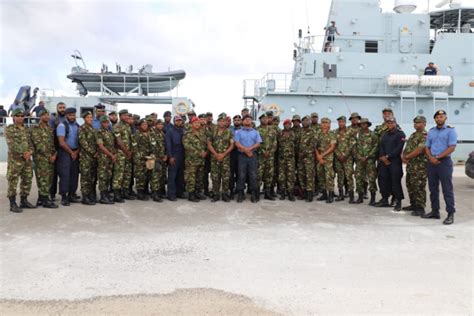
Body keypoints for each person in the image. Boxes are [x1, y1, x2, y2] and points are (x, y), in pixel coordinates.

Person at [422, 110, 457, 225]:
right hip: (432, 163)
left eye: (441, 117)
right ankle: (435, 211)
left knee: (447, 189)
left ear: (445, 118)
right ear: (435, 119)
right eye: (437, 117)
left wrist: (437, 157)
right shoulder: (431, 132)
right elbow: (427, 146)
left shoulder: (451, 130)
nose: (439, 119)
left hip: (444, 163)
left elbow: (451, 147)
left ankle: (450, 214)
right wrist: (431, 157)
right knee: (433, 189)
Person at [5, 108, 36, 213]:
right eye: (18, 116)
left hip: (27, 160)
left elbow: (31, 144)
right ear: (13, 117)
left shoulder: (27, 129)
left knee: (27, 180)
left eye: (22, 116)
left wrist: (30, 152)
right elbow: (11, 144)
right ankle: (12, 204)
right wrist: (24, 153)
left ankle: (24, 200)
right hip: (15, 160)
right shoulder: (9, 129)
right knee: (13, 181)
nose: (20, 118)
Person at [375, 117, 405, 211]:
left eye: (391, 123)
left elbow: (399, 148)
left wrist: (388, 157)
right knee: (383, 180)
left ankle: (398, 201)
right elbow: (381, 146)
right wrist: (383, 157)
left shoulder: (400, 134)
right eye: (388, 123)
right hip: (384, 162)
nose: (390, 125)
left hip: (394, 162)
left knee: (395, 182)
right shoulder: (385, 134)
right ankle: (385, 199)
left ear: (395, 123)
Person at [30, 108, 58, 208]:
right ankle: (45, 200)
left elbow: (51, 144)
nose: (46, 116)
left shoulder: (49, 128)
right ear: (40, 116)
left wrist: (54, 154)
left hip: (50, 158)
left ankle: (41, 199)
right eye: (44, 115)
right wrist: (49, 155)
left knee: (49, 178)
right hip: (41, 158)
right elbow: (38, 145)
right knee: (43, 178)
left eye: (47, 114)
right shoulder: (35, 128)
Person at [402, 116, 428, 216]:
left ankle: (420, 207)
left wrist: (407, 156)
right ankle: (413, 204)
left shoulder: (424, 135)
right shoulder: (413, 135)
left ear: (424, 123)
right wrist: (403, 156)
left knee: (419, 186)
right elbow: (407, 147)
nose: (416, 124)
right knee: (410, 185)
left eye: (418, 122)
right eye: (415, 123)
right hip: (411, 166)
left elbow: (420, 149)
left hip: (420, 166)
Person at [234, 115, 262, 203]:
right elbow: (237, 143)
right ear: (243, 121)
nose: (247, 121)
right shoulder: (238, 132)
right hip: (242, 156)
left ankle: (254, 193)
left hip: (252, 156)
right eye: (246, 119)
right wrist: (245, 150)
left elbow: (258, 143)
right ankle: (240, 193)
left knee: (253, 175)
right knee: (241, 175)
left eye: (249, 119)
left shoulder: (255, 132)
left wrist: (249, 149)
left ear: (251, 121)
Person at [56, 107, 81, 206]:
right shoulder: (62, 126)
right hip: (65, 152)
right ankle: (64, 196)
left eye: (73, 115)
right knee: (65, 174)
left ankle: (72, 194)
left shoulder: (77, 126)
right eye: (70, 115)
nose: (72, 117)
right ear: (66, 115)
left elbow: (80, 141)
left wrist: (76, 152)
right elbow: (61, 142)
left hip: (75, 152)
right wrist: (71, 152)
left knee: (74, 174)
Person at [207, 113, 234, 202]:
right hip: (215, 158)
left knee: (225, 177)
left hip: (225, 158)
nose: (222, 123)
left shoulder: (229, 132)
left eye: (224, 121)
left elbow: (232, 145)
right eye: (220, 121)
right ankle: (216, 194)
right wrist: (216, 154)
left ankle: (225, 194)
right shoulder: (212, 132)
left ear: (226, 122)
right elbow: (209, 144)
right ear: (218, 122)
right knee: (215, 177)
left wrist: (223, 154)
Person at [183, 117, 207, 202]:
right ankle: (191, 195)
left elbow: (205, 145)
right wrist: (198, 153)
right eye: (195, 123)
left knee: (199, 178)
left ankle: (197, 192)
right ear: (191, 124)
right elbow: (187, 146)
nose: (197, 124)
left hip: (201, 160)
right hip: (191, 160)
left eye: (198, 123)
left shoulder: (202, 133)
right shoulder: (187, 134)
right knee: (191, 178)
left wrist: (205, 152)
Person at [354, 118, 378, 204]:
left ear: (368, 124)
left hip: (370, 160)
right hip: (360, 160)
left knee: (371, 179)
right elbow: (354, 146)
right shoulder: (358, 135)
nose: (363, 125)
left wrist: (368, 156)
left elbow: (376, 147)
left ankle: (373, 198)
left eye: (365, 124)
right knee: (358, 177)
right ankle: (360, 197)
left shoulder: (373, 135)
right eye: (361, 124)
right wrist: (359, 156)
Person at [112, 109, 134, 203]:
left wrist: (131, 151)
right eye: (124, 115)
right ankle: (117, 194)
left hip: (128, 153)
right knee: (119, 174)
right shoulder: (117, 126)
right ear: (120, 116)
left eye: (127, 115)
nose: (126, 117)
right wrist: (126, 152)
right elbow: (119, 141)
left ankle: (125, 193)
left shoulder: (128, 126)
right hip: (121, 153)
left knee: (127, 173)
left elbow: (130, 139)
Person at [334, 116, 356, 203]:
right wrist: (339, 155)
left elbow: (352, 144)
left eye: (342, 122)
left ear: (345, 122)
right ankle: (341, 194)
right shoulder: (335, 132)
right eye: (339, 122)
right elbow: (333, 145)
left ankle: (351, 196)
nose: (341, 123)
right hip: (338, 158)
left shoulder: (350, 131)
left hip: (348, 158)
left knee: (349, 177)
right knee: (340, 176)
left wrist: (345, 155)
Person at [48, 102, 67, 201]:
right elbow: (50, 134)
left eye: (64, 107)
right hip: (55, 148)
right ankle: (52, 194)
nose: (62, 109)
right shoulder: (53, 119)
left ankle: (64, 194)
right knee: (53, 174)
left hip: (65, 149)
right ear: (57, 108)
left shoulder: (68, 118)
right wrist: (53, 151)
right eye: (60, 107)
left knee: (64, 173)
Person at [257, 113, 278, 200]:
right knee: (259, 175)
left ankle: (267, 193)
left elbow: (275, 143)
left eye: (266, 118)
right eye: (263, 118)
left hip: (270, 157)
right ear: (260, 120)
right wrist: (262, 152)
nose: (265, 120)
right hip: (260, 157)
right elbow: (256, 143)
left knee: (269, 175)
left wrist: (270, 152)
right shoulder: (256, 130)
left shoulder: (272, 130)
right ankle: (257, 193)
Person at [78, 111, 98, 205]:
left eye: (91, 117)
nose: (90, 119)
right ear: (84, 118)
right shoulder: (82, 129)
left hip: (94, 157)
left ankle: (91, 194)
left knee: (92, 177)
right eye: (88, 117)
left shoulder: (93, 129)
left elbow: (97, 141)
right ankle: (85, 197)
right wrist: (93, 152)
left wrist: (97, 151)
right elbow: (83, 143)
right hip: (85, 157)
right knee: (85, 177)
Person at [316, 118, 337, 203]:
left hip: (328, 158)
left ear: (329, 124)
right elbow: (315, 146)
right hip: (319, 158)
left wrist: (322, 155)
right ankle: (324, 194)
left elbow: (333, 147)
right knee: (321, 176)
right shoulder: (318, 134)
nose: (324, 124)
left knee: (329, 177)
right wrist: (318, 156)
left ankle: (331, 195)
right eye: (323, 123)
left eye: (326, 123)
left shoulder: (332, 134)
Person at [96, 115, 116, 204]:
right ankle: (103, 197)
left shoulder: (109, 132)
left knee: (108, 176)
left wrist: (113, 155)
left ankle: (106, 194)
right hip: (103, 158)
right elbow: (101, 146)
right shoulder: (99, 132)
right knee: (103, 176)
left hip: (110, 158)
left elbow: (112, 144)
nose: (106, 124)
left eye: (107, 122)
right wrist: (111, 155)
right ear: (101, 123)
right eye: (104, 122)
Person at [166, 115, 185, 201]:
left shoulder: (183, 131)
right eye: (177, 120)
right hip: (174, 155)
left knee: (180, 176)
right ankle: (171, 194)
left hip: (182, 155)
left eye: (180, 120)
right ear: (174, 121)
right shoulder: (170, 131)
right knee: (172, 176)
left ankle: (179, 193)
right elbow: (168, 144)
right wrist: (171, 156)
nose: (178, 122)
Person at [277, 119, 296, 201]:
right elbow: (277, 145)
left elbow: (297, 145)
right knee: (282, 177)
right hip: (281, 159)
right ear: (283, 125)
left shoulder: (294, 134)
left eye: (289, 124)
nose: (287, 125)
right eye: (286, 124)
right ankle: (282, 193)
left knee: (290, 176)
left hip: (290, 159)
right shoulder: (280, 134)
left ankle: (290, 193)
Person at [229, 114, 242, 199]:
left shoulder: (243, 130)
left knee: (240, 172)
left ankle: (239, 189)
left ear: (241, 121)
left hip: (241, 153)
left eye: (238, 120)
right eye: (235, 120)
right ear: (233, 121)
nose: (237, 121)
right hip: (232, 153)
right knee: (231, 172)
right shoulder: (229, 129)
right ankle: (231, 190)